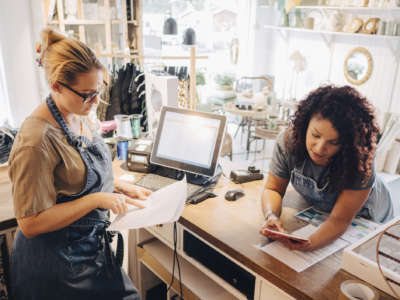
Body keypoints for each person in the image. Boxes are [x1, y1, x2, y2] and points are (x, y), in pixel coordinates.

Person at [8, 28, 151, 300]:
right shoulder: (36, 140)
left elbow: (72, 178)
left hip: (88, 252)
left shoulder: (77, 112)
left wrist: (116, 186)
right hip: (57, 267)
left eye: (98, 91)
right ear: (56, 85)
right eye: (87, 94)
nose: (96, 101)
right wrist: (98, 199)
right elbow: (30, 223)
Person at [260, 85, 393, 252]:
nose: (320, 148)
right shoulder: (288, 141)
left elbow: (339, 220)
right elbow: (273, 189)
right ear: (305, 124)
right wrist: (271, 215)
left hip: (369, 215)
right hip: (325, 212)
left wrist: (309, 243)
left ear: (348, 144)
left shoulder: (358, 160)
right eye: (315, 135)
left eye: (334, 142)